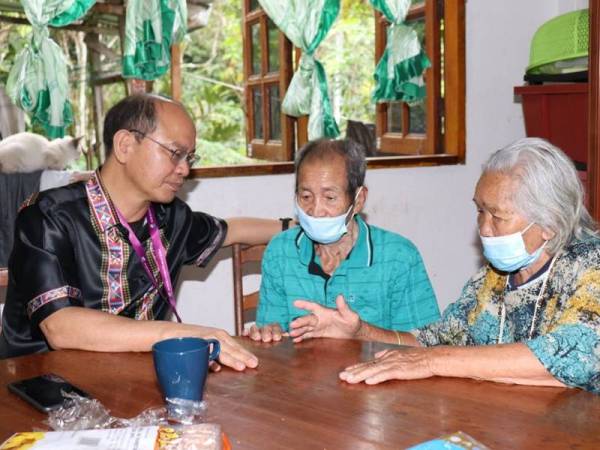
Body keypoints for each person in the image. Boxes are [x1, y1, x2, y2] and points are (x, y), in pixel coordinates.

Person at [0, 94, 283, 371]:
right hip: (38, 390)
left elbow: (232, 230)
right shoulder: (48, 216)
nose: (184, 169)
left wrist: (307, 225)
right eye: (175, 153)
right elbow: (60, 326)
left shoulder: (171, 218)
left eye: (189, 157)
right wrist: (179, 334)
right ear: (124, 145)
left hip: (131, 388)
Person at [298, 138, 600, 393]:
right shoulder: (493, 279)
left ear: (549, 222)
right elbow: (434, 340)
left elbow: (570, 354)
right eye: (480, 210)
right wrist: (360, 331)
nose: (483, 227)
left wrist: (434, 361)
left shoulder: (590, 267)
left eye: (497, 216)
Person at [246, 138, 440, 343]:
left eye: (329, 198)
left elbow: (427, 344)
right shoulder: (281, 251)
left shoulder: (398, 257)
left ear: (358, 200)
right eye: (306, 197)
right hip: (302, 374)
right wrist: (269, 333)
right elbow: (272, 332)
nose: (316, 211)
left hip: (375, 372)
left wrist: (361, 332)